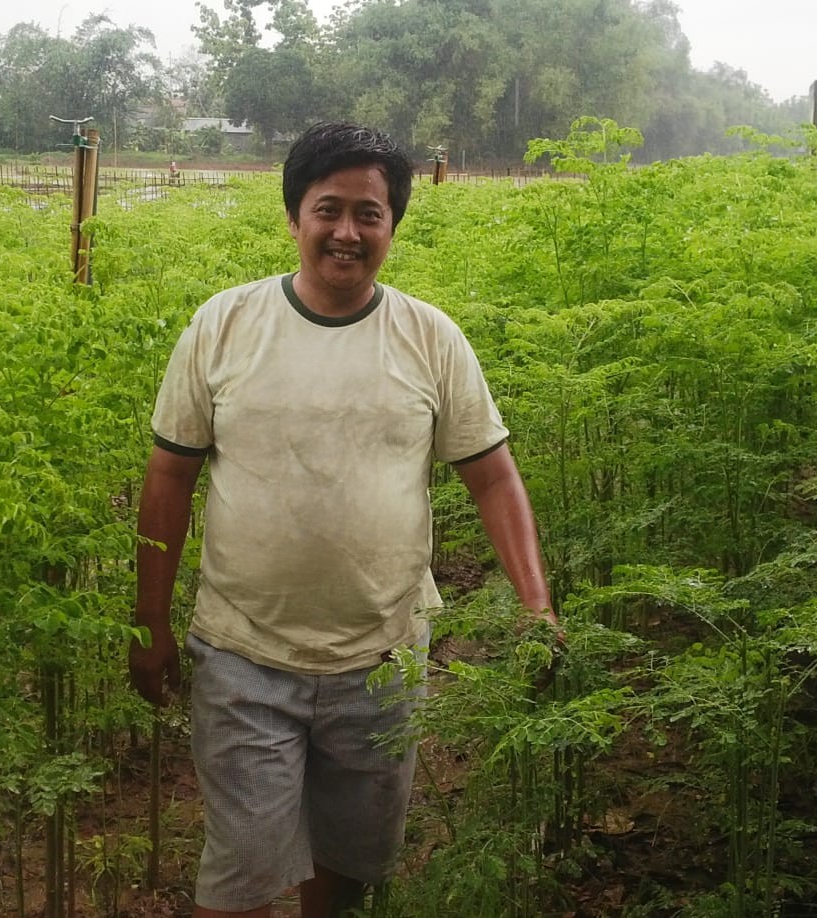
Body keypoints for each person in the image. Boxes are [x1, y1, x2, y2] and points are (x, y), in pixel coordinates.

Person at [130, 121, 555, 918]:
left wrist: (537, 606)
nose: (347, 232)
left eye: (371, 214)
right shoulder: (223, 325)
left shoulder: (430, 338)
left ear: (393, 225)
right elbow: (169, 478)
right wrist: (148, 621)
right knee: (243, 877)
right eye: (329, 210)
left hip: (383, 656)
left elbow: (493, 478)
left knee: (348, 870)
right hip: (243, 653)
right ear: (294, 216)